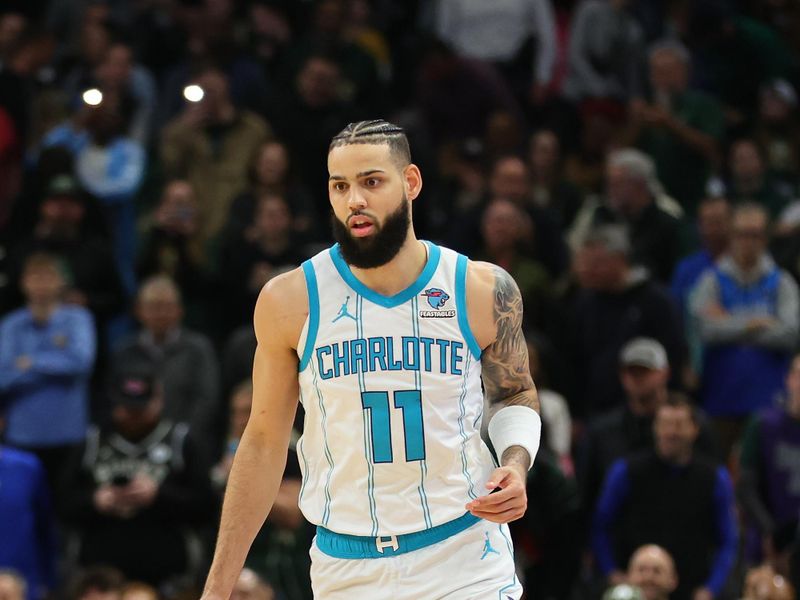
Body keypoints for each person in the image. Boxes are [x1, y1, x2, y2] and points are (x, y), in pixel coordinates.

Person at [201, 119, 541, 599]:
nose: (353, 199)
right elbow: (261, 442)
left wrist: (516, 461)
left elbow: (515, 391)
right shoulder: (290, 299)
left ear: (411, 182)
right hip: (348, 567)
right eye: (340, 186)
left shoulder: (480, 288)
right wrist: (217, 588)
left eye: (371, 181)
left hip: (465, 553)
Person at [592, 397, 738, 600]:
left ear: (695, 429)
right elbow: (601, 526)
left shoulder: (715, 477)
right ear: (655, 428)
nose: (671, 433)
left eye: (679, 425)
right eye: (665, 424)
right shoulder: (626, 471)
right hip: (635, 585)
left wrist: (710, 589)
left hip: (692, 587)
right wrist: (612, 572)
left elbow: (728, 540)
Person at [690, 202, 800, 458]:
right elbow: (705, 330)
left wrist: (728, 321)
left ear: (766, 238)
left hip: (770, 402)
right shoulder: (711, 280)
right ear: (731, 236)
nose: (748, 241)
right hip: (721, 400)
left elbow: (789, 334)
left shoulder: (782, 282)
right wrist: (757, 322)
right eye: (741, 234)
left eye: (755, 235)